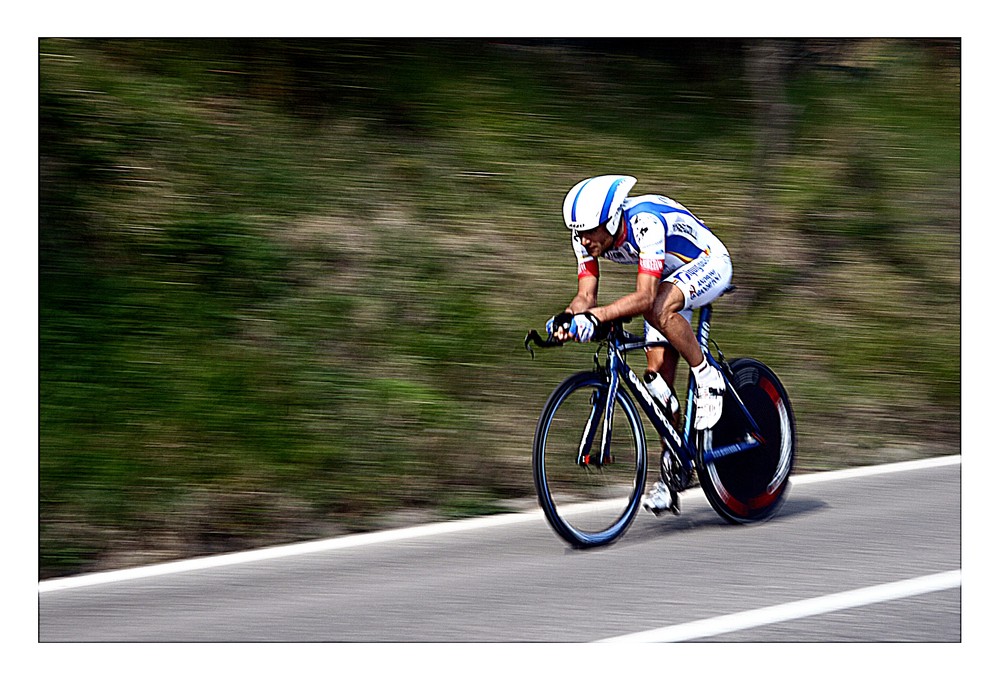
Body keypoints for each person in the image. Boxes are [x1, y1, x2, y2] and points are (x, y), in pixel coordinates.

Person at [546, 174, 732, 515]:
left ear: (613, 220)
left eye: (589, 232)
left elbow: (645, 297)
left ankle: (708, 376)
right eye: (578, 233)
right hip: (669, 279)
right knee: (657, 387)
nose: (583, 240)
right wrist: (568, 319)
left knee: (659, 306)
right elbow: (586, 296)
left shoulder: (645, 223)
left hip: (707, 263)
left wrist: (598, 317)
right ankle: (673, 471)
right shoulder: (584, 238)